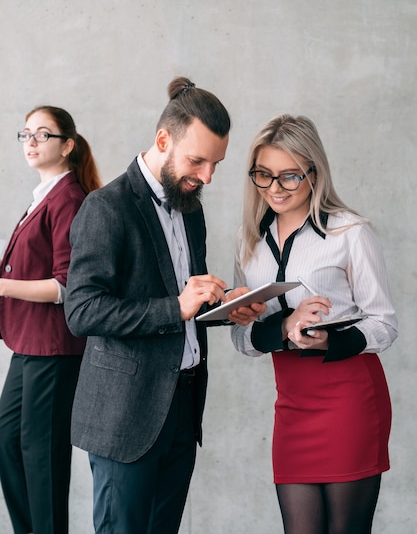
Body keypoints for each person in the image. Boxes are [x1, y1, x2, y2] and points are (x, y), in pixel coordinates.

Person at [64, 77, 261, 534]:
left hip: (183, 404)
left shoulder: (190, 206)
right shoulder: (105, 207)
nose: (208, 176)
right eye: (198, 161)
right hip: (125, 416)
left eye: (216, 164)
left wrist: (223, 305)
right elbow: (82, 311)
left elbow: (188, 301)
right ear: (162, 140)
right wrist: (175, 307)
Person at [230, 114, 398, 534]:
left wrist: (328, 341)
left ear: (314, 173)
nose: (275, 189)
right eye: (263, 176)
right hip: (291, 404)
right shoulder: (248, 242)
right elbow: (243, 338)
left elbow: (384, 323)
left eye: (289, 176)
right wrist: (283, 325)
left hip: (349, 399)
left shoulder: (350, 232)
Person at [0, 106, 101, 534]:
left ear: (68, 145)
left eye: (44, 134)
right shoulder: (44, 196)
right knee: (10, 445)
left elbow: (65, 286)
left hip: (54, 348)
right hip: (29, 345)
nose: (32, 142)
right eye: (26, 135)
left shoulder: (70, 198)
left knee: (42, 456)